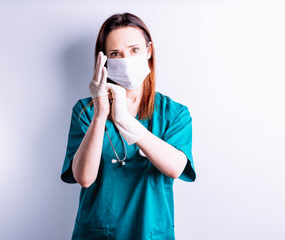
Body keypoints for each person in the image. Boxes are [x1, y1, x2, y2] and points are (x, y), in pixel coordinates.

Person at [61, 12, 196, 240]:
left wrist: (126, 121)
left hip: (150, 231)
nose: (126, 60)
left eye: (134, 50)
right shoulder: (86, 112)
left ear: (149, 51)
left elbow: (176, 168)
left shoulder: (174, 113)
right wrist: (100, 114)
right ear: (104, 61)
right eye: (116, 54)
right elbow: (84, 178)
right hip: (97, 232)